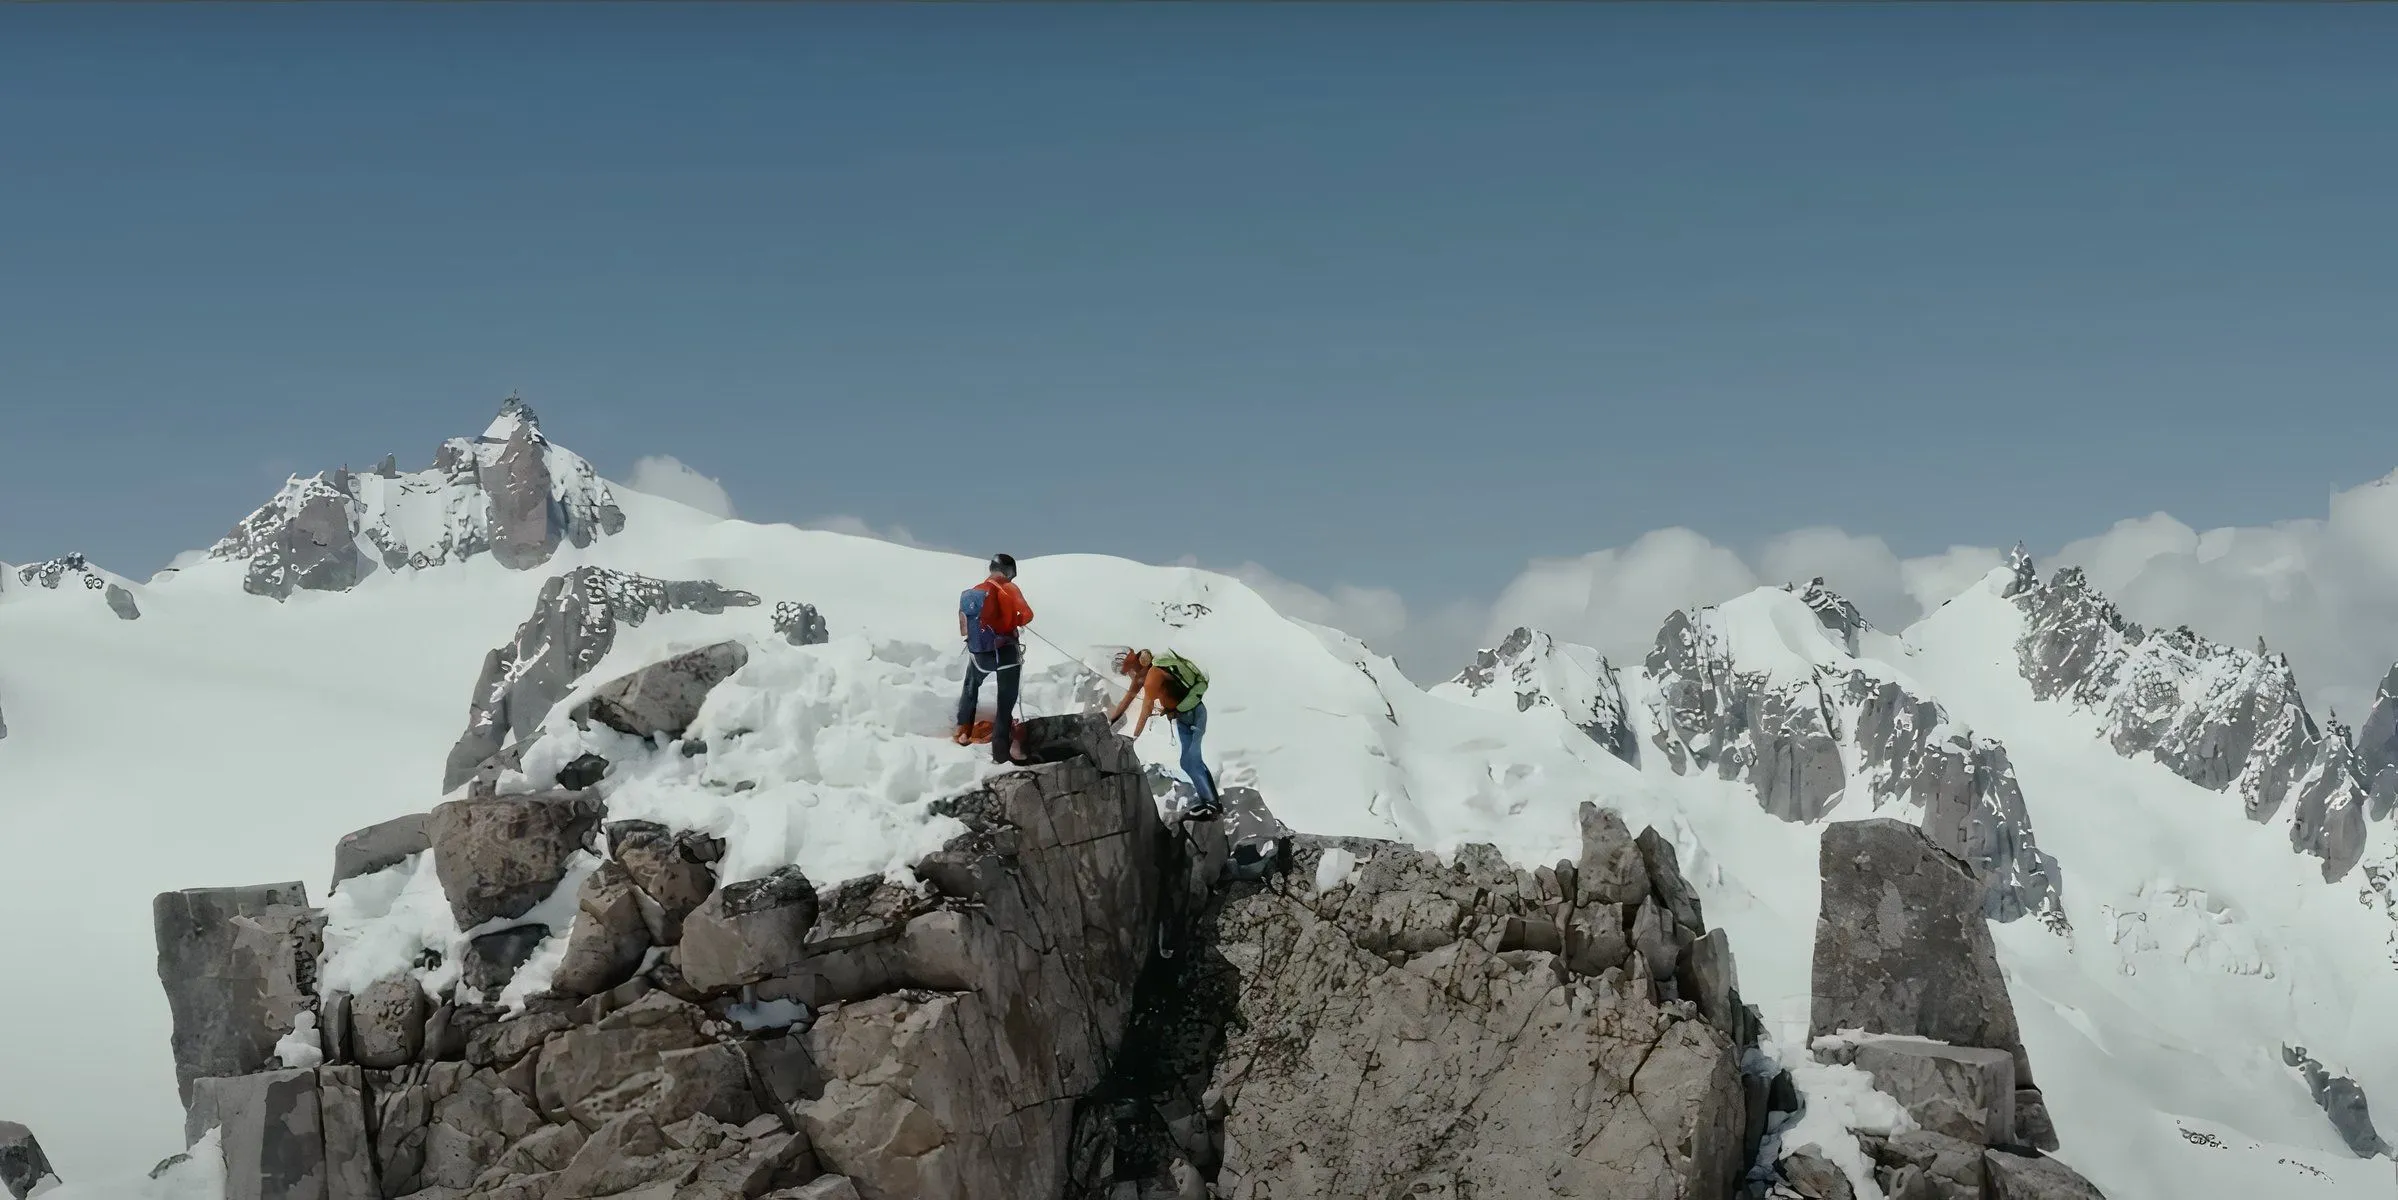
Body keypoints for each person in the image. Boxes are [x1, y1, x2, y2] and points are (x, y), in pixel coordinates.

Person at [1108, 647, 1220, 819]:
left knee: (1191, 760)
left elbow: (1146, 709)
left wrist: (1134, 736)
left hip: (1193, 714)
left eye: (1128, 671)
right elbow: (1129, 697)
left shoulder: (1152, 678)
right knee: (1190, 761)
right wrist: (1111, 720)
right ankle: (1212, 803)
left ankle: (1212, 805)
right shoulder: (1144, 676)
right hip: (1185, 715)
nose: (1130, 676)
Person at [957, 554, 1035, 765]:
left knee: (971, 686)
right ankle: (1000, 754)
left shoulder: (970, 594)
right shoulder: (1009, 589)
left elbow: (964, 629)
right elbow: (1028, 615)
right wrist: (1013, 621)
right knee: (1005, 701)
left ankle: (964, 731)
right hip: (1006, 654)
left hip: (979, 655)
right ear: (1008, 572)